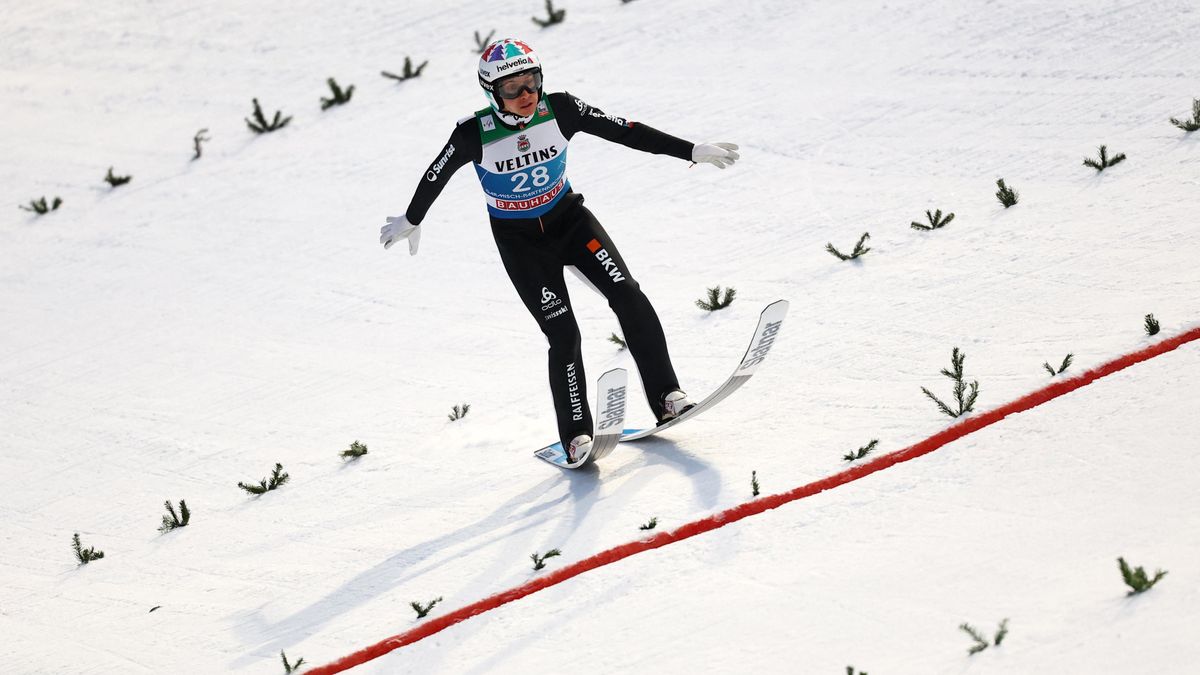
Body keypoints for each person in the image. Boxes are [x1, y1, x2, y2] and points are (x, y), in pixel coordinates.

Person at [380, 38, 739, 462]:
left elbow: (625, 131)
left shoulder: (562, 109)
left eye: (531, 82)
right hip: (521, 244)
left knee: (629, 294)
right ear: (492, 93)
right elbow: (435, 175)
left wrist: (690, 150)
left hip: (570, 222)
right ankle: (576, 435)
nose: (525, 94)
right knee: (563, 332)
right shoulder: (473, 133)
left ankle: (667, 397)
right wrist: (412, 218)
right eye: (511, 88)